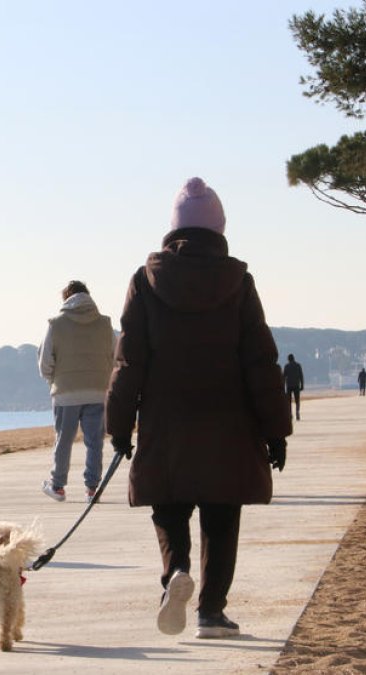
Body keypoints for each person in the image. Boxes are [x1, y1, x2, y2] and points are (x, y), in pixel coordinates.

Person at [105, 177, 291, 640]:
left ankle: (175, 573)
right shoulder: (239, 282)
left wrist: (118, 425)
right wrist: (275, 430)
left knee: (169, 509)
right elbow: (260, 360)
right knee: (222, 515)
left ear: (173, 229)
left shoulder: (145, 281)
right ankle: (211, 612)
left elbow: (130, 360)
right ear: (219, 228)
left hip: (166, 421)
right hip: (229, 422)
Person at [38, 280, 116, 503]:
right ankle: (92, 489)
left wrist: (52, 380)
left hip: (66, 392)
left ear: (66, 298)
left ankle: (58, 486)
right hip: (98, 390)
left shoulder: (56, 324)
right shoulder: (104, 323)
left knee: (63, 440)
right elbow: (114, 355)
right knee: (95, 442)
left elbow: (45, 361)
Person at [283, 354, 305, 421]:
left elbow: (283, 377)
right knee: (297, 400)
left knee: (289, 401)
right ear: (294, 358)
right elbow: (301, 376)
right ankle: (297, 412)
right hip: (296, 385)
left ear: (288, 359)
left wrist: (283, 387)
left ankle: (290, 414)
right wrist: (302, 385)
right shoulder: (298, 365)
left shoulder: (286, 366)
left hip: (289, 386)